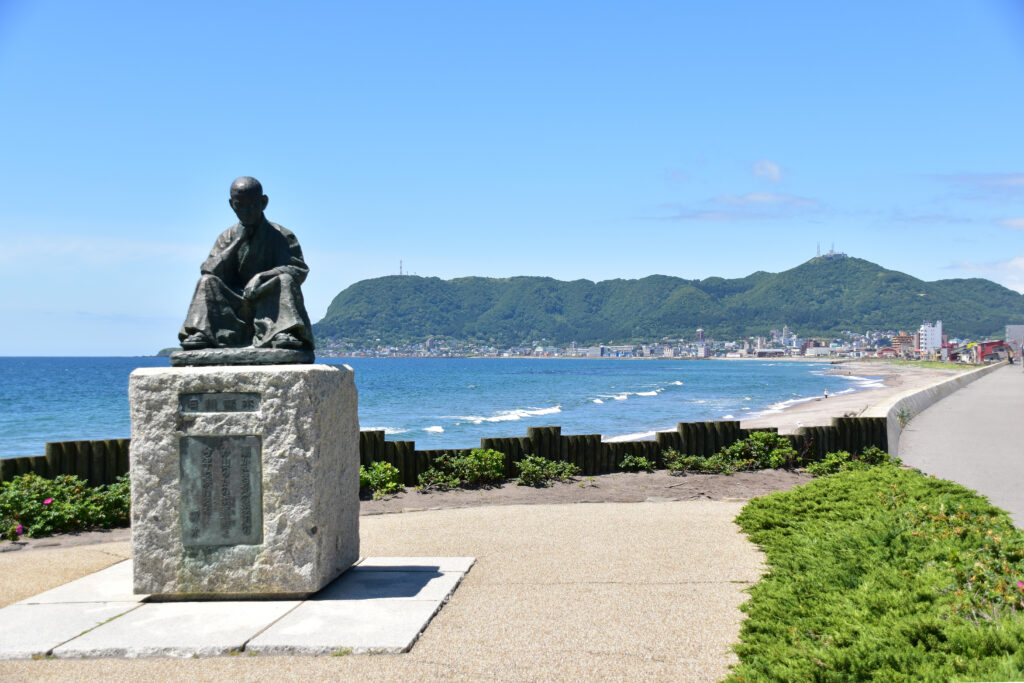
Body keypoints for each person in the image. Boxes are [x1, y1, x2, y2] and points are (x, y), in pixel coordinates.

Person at [178, 177, 315, 351]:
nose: (246, 211)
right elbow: (208, 270)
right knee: (206, 281)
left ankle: (283, 332)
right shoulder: (227, 237)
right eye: (239, 206)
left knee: (286, 279)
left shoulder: (282, 235)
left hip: (268, 301)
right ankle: (202, 332)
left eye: (252, 205)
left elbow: (298, 269)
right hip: (234, 303)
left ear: (263, 202)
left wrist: (262, 276)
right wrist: (238, 241)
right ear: (231, 205)